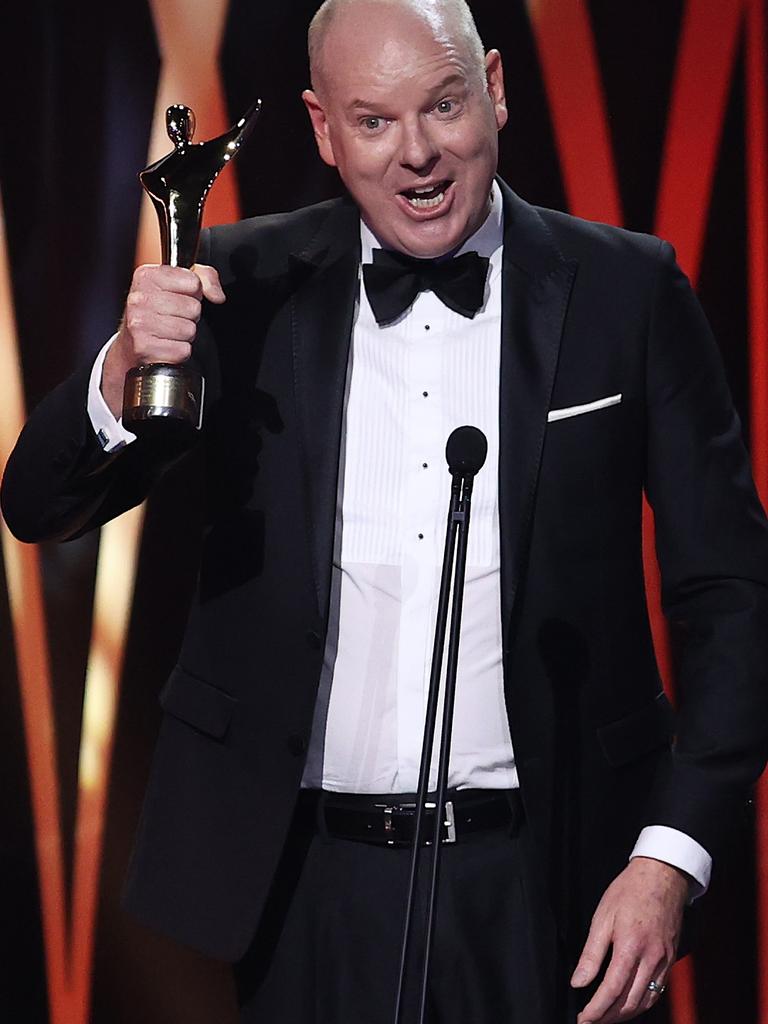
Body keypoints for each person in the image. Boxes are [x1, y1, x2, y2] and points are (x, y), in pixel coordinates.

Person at [3, 0, 768, 1021]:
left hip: (553, 883)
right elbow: (38, 503)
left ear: (494, 88)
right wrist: (123, 366)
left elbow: (732, 594)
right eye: (373, 122)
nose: (417, 155)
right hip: (299, 885)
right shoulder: (244, 286)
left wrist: (670, 858)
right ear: (324, 130)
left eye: (442, 106)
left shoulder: (627, 291)